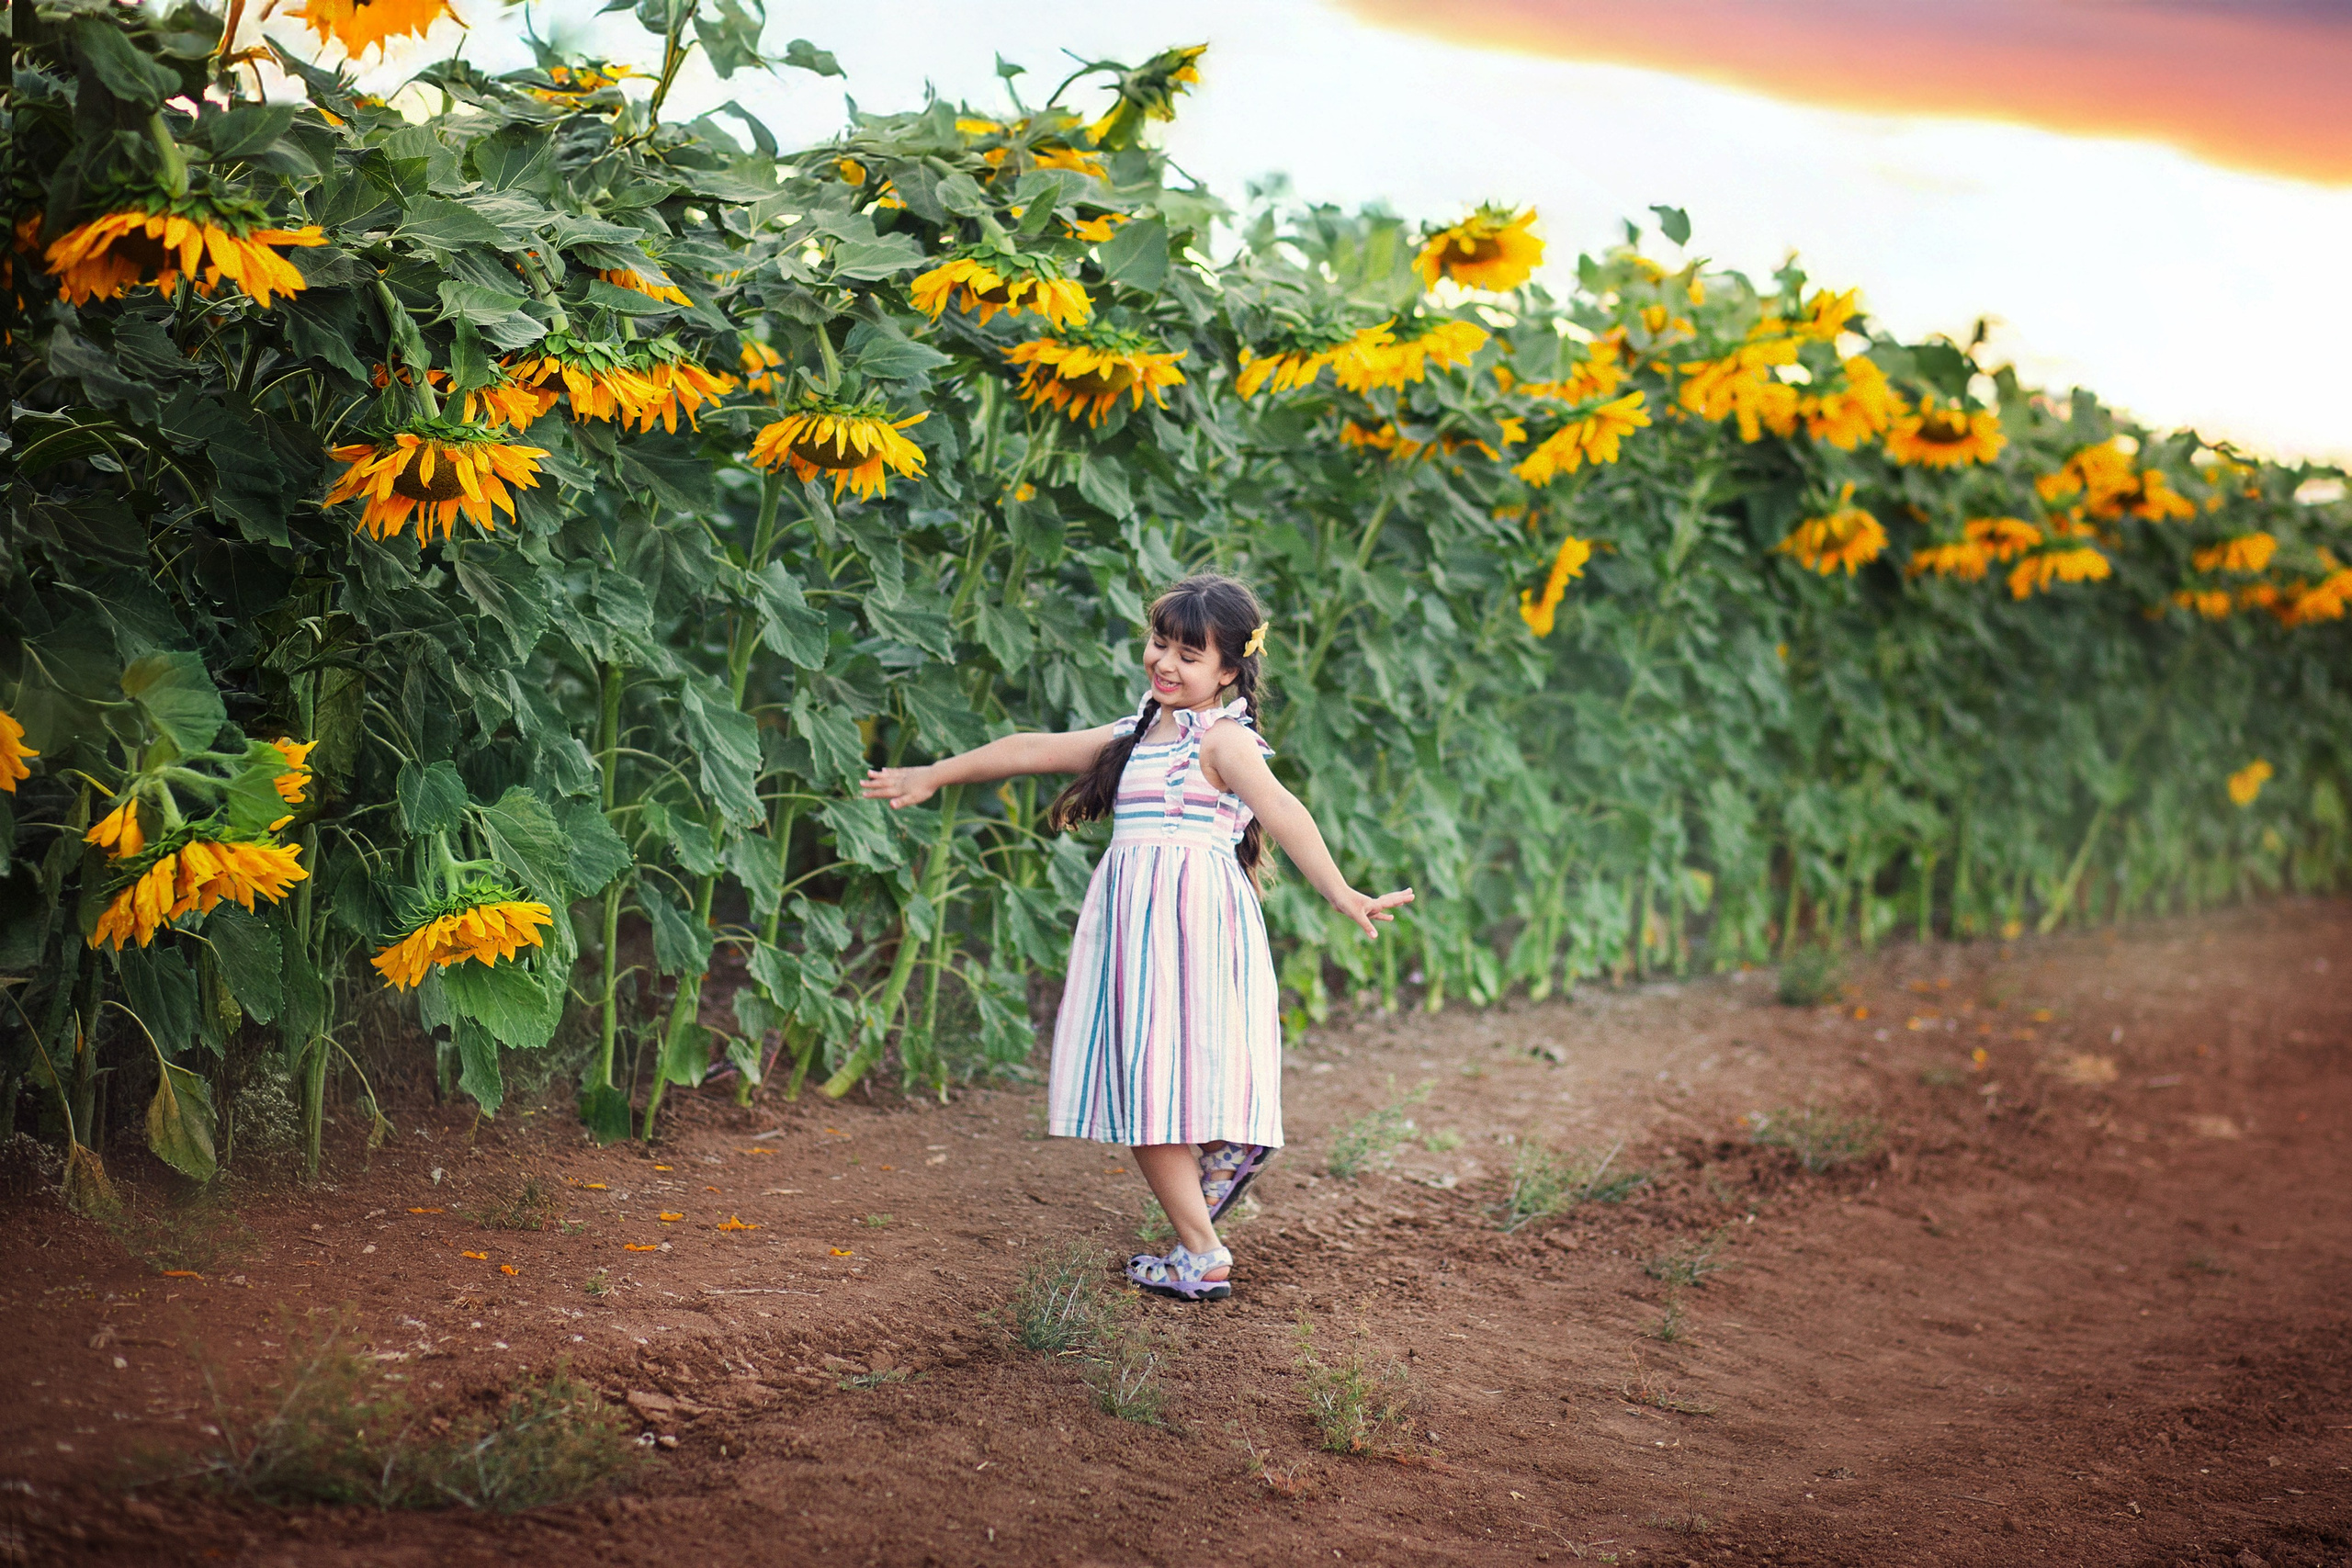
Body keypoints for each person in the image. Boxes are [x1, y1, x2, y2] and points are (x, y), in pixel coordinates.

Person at [861, 572, 1413, 1301]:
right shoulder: (1134, 734)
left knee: (1148, 1090)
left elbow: (1281, 808)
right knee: (1162, 1081)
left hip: (1188, 927)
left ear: (1229, 670)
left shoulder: (1222, 741)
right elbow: (1030, 747)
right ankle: (1221, 1154)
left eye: (1191, 654)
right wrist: (935, 774)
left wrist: (1341, 891)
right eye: (1161, 643)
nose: (1166, 662)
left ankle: (1202, 1249)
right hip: (1144, 926)